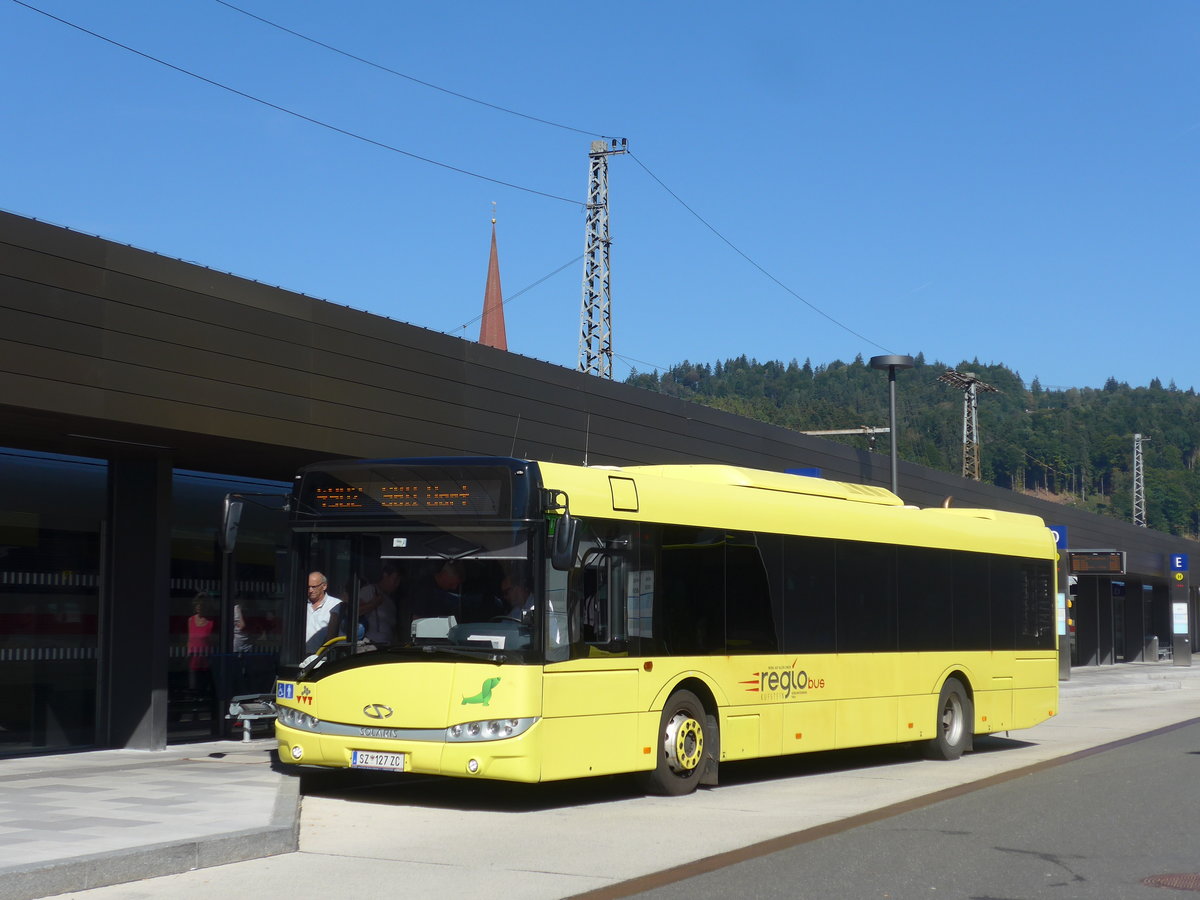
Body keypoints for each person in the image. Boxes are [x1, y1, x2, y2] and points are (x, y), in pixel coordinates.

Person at [359, 563, 402, 645]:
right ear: (385, 576)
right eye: (395, 579)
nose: (397, 584)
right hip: (370, 644)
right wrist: (373, 604)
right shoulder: (370, 591)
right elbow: (353, 612)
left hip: (387, 644)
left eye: (399, 581)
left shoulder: (390, 601)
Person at [305, 571, 343, 655]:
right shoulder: (301, 604)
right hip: (301, 655)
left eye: (314, 587)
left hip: (324, 656)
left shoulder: (335, 605)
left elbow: (334, 634)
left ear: (324, 586)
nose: (310, 590)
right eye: (308, 587)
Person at [187, 594, 215, 691]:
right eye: (197, 604)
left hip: (206, 662)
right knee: (193, 688)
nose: (198, 607)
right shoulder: (190, 620)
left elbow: (213, 642)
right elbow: (189, 640)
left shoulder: (211, 622)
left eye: (201, 605)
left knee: (204, 688)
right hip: (193, 661)